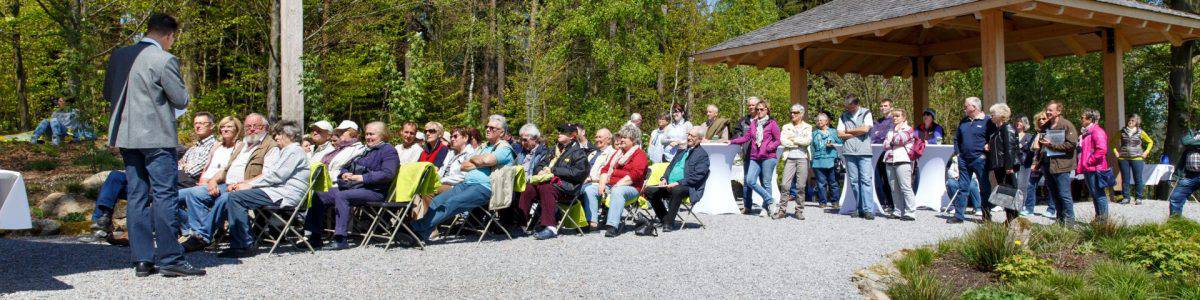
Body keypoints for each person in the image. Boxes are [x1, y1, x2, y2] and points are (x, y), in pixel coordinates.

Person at [101, 13, 203, 277]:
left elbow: (107, 94)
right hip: (157, 137)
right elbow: (180, 99)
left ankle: (142, 260)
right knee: (164, 196)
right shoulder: (164, 59)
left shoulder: (120, 55)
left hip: (126, 136)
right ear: (169, 35)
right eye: (172, 38)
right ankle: (170, 258)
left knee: (136, 196)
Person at [409, 116, 515, 241]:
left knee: (452, 202)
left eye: (492, 128)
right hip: (466, 184)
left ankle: (415, 229)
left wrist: (476, 160)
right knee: (436, 201)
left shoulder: (504, 148)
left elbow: (486, 160)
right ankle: (423, 233)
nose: (487, 129)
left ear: (501, 132)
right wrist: (478, 161)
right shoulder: (484, 147)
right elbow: (464, 166)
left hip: (485, 188)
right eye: (487, 127)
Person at [179, 114, 273, 251]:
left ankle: (202, 237)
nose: (251, 129)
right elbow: (226, 169)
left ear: (265, 128)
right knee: (194, 193)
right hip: (226, 184)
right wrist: (212, 181)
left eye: (256, 126)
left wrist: (243, 184)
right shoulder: (245, 145)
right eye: (248, 126)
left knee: (225, 198)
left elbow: (268, 175)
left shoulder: (270, 147)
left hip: (248, 188)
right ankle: (198, 235)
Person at [217, 121, 310, 258]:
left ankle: (244, 244)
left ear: (290, 135)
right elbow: (271, 175)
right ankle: (243, 240)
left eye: (279, 134)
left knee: (236, 197)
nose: (276, 138)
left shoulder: (294, 151)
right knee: (237, 194)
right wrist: (245, 183)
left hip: (286, 194)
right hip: (278, 191)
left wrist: (249, 185)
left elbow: (277, 176)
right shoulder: (287, 151)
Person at [306, 122, 398, 250]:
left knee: (342, 196)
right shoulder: (366, 150)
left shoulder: (388, 150)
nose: (368, 137)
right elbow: (347, 166)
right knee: (321, 194)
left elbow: (388, 174)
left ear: (382, 135)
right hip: (356, 188)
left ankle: (341, 239)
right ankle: (315, 236)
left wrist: (362, 178)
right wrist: (344, 174)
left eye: (372, 134)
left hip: (375, 191)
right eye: (366, 134)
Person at [515, 124, 591, 240]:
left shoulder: (578, 152)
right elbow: (540, 164)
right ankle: (521, 225)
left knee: (546, 187)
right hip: (549, 183)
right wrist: (540, 170)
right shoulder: (552, 149)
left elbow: (579, 173)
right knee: (528, 187)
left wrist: (553, 171)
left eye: (563, 132)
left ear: (572, 135)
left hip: (568, 187)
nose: (559, 133)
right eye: (559, 131)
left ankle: (550, 227)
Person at [644, 126, 709, 232]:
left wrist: (678, 182)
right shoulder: (682, 151)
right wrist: (664, 178)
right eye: (689, 135)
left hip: (688, 187)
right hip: (669, 184)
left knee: (677, 190)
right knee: (649, 190)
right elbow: (670, 167)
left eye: (692, 136)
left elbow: (698, 176)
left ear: (700, 139)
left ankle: (668, 224)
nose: (689, 138)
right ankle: (665, 219)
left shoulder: (702, 155)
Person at [594, 125, 649, 237]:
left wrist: (617, 185)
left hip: (631, 188)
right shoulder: (618, 153)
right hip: (611, 184)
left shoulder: (640, 154)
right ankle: (592, 223)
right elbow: (605, 169)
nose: (621, 140)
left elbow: (636, 175)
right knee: (591, 189)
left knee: (618, 191)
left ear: (633, 140)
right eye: (621, 137)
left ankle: (612, 226)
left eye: (625, 137)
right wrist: (601, 184)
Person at [729, 99, 781, 218]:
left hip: (768, 157)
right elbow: (746, 138)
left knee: (766, 183)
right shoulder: (753, 123)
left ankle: (765, 208)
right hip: (755, 156)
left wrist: (769, 147)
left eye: (762, 109)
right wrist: (731, 141)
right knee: (750, 180)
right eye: (757, 109)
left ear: (767, 110)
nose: (759, 111)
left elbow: (778, 140)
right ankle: (770, 200)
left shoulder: (772, 123)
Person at [950, 97, 997, 224]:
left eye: (966, 106)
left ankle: (986, 216)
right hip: (964, 159)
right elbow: (957, 139)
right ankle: (959, 216)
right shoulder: (964, 121)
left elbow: (994, 137)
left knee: (984, 187)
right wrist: (958, 153)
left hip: (980, 159)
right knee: (963, 187)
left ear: (974, 107)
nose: (964, 109)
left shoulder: (987, 121)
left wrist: (987, 150)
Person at [1039, 101, 1079, 223]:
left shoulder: (1066, 125)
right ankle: (1060, 220)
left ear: (1058, 112)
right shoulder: (1045, 126)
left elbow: (1072, 144)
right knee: (1054, 194)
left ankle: (1070, 222)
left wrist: (1052, 145)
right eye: (1047, 109)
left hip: (1062, 165)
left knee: (1064, 194)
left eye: (1051, 110)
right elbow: (1041, 145)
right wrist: (1038, 161)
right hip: (1047, 165)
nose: (1048, 112)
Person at [838, 94, 877, 220]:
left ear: (856, 104)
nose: (849, 109)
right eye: (848, 107)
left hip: (864, 151)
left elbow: (865, 129)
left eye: (852, 107)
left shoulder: (866, 113)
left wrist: (848, 131)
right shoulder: (843, 116)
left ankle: (868, 209)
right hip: (849, 151)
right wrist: (856, 132)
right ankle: (859, 208)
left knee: (866, 180)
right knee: (854, 181)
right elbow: (840, 133)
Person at [986, 104, 1022, 224]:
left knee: (1010, 193)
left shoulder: (1007, 128)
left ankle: (1014, 220)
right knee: (1005, 194)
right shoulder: (999, 130)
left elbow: (1010, 149)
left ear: (1001, 115)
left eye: (993, 113)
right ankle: (1010, 219)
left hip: (1005, 167)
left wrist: (1009, 167)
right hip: (999, 166)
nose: (991, 115)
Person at [881, 109, 917, 221]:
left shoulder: (909, 129)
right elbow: (885, 145)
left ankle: (910, 212)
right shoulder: (890, 130)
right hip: (889, 161)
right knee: (893, 188)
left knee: (905, 187)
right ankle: (898, 211)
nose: (895, 118)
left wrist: (891, 141)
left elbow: (900, 140)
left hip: (903, 161)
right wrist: (891, 142)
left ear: (904, 118)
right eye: (893, 116)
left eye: (897, 116)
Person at [779, 104, 812, 219]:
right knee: (785, 184)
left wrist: (793, 139)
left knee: (801, 186)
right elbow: (783, 141)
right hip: (790, 158)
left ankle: (799, 210)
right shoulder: (786, 126)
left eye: (795, 112)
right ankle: (782, 210)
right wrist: (798, 142)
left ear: (801, 114)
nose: (792, 114)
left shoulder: (808, 127)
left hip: (803, 158)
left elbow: (807, 141)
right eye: (791, 112)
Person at [1077, 108, 1111, 221]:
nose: (1080, 119)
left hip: (1096, 168)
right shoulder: (1087, 133)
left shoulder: (1097, 131)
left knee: (1099, 194)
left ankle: (1103, 221)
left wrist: (1089, 161)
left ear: (1090, 119)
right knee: (1094, 193)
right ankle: (1099, 218)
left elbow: (1101, 150)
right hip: (1089, 168)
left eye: (1082, 117)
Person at [1114, 114, 1154, 205]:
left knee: (1138, 178)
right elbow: (1112, 141)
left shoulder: (1141, 132)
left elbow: (1150, 142)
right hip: (1123, 158)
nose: (1130, 122)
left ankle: (1139, 198)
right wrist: (1115, 152)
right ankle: (1126, 198)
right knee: (1125, 179)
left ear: (1137, 123)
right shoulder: (1122, 132)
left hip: (1137, 158)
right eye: (1129, 120)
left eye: (1133, 120)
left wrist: (1146, 152)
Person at [581, 128, 615, 229]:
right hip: (586, 182)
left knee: (589, 190)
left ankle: (592, 222)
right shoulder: (593, 153)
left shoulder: (613, 154)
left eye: (600, 137)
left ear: (608, 140)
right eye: (596, 137)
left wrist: (591, 178)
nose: (596, 139)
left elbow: (610, 173)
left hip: (603, 184)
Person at [1025, 112, 1057, 218]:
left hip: (1047, 162)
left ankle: (1051, 209)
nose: (1041, 121)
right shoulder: (1037, 133)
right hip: (1036, 163)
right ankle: (1029, 208)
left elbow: (1051, 148)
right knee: (1030, 184)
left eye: (1044, 119)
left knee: (1050, 186)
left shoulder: (1051, 131)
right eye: (1039, 119)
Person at [1168, 118, 1200, 217]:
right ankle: (1175, 227)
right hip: (1189, 175)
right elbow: (1185, 141)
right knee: (1176, 198)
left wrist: (1193, 144)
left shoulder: (1193, 137)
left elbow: (1189, 143)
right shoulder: (1193, 132)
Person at [870, 99, 897, 217]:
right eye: (881, 106)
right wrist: (879, 136)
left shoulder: (894, 120)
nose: (883, 108)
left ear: (891, 107)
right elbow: (872, 135)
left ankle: (892, 204)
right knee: (877, 180)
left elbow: (886, 136)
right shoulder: (877, 121)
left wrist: (879, 135)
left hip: (888, 153)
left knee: (888, 179)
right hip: (876, 154)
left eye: (885, 106)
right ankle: (881, 203)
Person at [811, 111, 841, 209]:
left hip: (831, 160)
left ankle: (835, 202)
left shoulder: (833, 132)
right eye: (818, 120)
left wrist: (833, 144)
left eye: (821, 120)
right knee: (821, 183)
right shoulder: (814, 134)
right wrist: (811, 159)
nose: (819, 122)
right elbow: (811, 148)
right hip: (818, 160)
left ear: (826, 121)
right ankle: (822, 202)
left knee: (833, 182)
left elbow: (840, 143)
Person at [323, 121, 367, 186]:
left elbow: (345, 170)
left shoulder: (359, 149)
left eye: (343, 131)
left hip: (337, 185)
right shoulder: (339, 148)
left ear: (353, 133)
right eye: (339, 132)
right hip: (325, 182)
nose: (340, 133)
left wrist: (324, 175)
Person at [438, 126, 477, 193]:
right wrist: (437, 179)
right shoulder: (451, 152)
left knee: (431, 190)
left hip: (456, 186)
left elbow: (463, 176)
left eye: (455, 136)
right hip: (442, 182)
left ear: (465, 138)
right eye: (451, 137)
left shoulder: (470, 154)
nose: (452, 139)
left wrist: (442, 180)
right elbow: (442, 168)